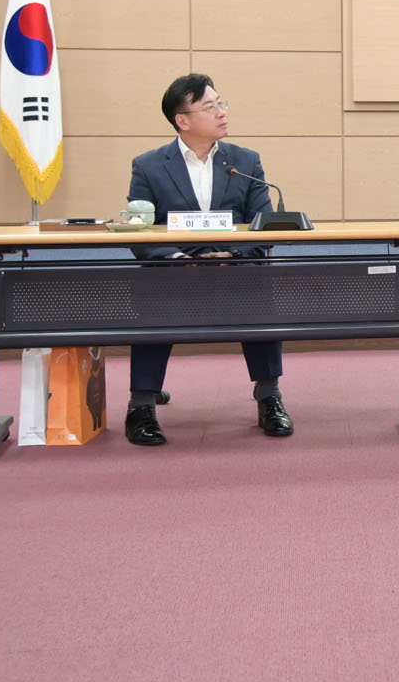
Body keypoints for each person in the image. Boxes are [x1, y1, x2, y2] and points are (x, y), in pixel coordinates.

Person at [121, 73, 292, 446]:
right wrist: (179, 258)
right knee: (152, 294)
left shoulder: (245, 161)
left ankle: (269, 396)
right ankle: (142, 405)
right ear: (182, 120)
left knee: (260, 286)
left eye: (221, 104)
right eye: (210, 107)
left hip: (236, 269)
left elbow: (263, 226)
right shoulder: (149, 166)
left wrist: (233, 255)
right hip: (173, 272)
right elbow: (140, 231)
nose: (222, 113)